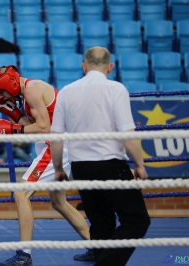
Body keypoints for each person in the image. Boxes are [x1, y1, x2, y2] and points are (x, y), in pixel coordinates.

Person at [50, 46, 151, 266]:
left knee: (101, 224)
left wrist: (58, 169)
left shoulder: (67, 91)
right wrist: (140, 164)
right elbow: (127, 133)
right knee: (137, 220)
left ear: (84, 66)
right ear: (110, 67)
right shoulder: (116, 89)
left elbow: (56, 136)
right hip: (111, 165)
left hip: (81, 167)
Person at [0, 65, 91, 266]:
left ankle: (24, 255)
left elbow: (44, 127)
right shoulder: (26, 94)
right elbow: (31, 126)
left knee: (20, 193)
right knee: (59, 202)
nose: (2, 96)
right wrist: (15, 115)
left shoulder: (33, 89)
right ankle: (96, 246)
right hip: (53, 143)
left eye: (2, 91)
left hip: (55, 145)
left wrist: (12, 130)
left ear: (12, 83)